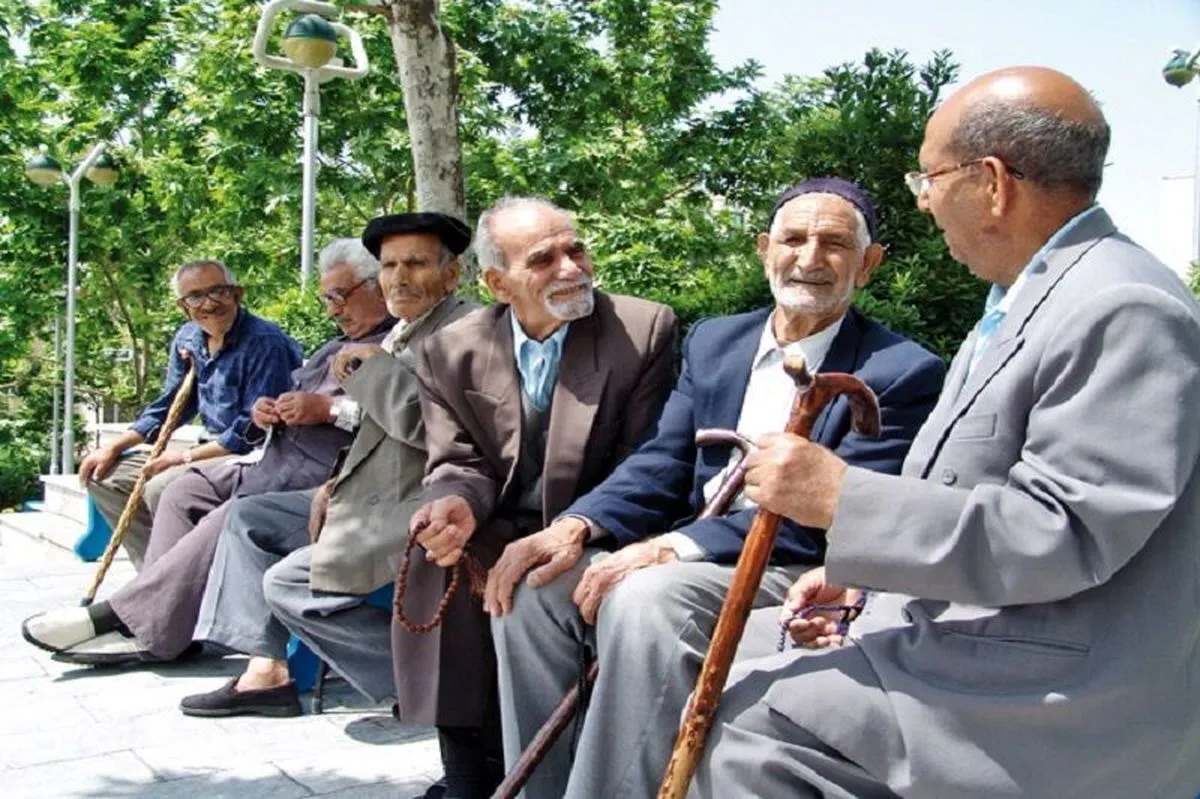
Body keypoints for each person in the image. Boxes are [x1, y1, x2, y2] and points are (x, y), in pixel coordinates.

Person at [694, 66, 1200, 799]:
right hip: (987, 637)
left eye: (928, 178)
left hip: (1057, 689)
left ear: (991, 182)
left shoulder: (1120, 305)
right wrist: (868, 578)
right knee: (720, 652)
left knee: (749, 718)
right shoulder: (1025, 298)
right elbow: (976, 492)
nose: (923, 201)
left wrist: (842, 499)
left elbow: (1065, 533)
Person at [488, 179, 946, 799]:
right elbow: (662, 461)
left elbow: (827, 520)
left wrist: (671, 548)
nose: (810, 258)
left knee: (648, 598)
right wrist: (577, 525)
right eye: (793, 239)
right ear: (764, 249)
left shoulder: (900, 372)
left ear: (868, 264)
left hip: (795, 566)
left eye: (835, 244)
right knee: (535, 585)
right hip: (700, 556)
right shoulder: (715, 341)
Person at [402, 196, 679, 798]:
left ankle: (537, 771)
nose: (571, 268)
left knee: (530, 581)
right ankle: (468, 772)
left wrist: (576, 529)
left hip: (601, 525)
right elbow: (458, 461)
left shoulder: (643, 330)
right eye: (543, 259)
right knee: (439, 559)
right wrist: (455, 504)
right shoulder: (448, 351)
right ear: (498, 284)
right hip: (500, 522)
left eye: (576, 249)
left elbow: (648, 463)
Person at [22, 240, 394, 665]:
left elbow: (403, 417)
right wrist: (267, 413)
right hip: (270, 459)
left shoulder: (390, 345)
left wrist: (326, 410)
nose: (332, 310)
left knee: (228, 510)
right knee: (183, 491)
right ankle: (163, 620)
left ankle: (133, 620)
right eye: (327, 299)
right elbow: (186, 407)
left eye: (340, 296)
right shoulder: (331, 344)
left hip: (322, 476)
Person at [177, 212, 475, 718]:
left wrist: (365, 375)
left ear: (451, 275)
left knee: (289, 583)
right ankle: (267, 670)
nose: (399, 278)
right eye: (390, 266)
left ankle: (436, 677)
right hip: (361, 494)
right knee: (247, 516)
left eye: (416, 264)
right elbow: (375, 430)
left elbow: (433, 429)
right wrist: (330, 477)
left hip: (420, 503)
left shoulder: (465, 330)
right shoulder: (403, 331)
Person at [78, 259, 302, 568]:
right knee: (105, 478)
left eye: (218, 291)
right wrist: (115, 447)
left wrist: (183, 458)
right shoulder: (188, 339)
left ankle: (176, 578)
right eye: (195, 297)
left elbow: (250, 431)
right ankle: (155, 573)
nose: (208, 304)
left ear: (237, 294)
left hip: (254, 455)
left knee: (161, 487)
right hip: (209, 449)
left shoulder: (265, 342)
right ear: (184, 306)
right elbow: (171, 406)